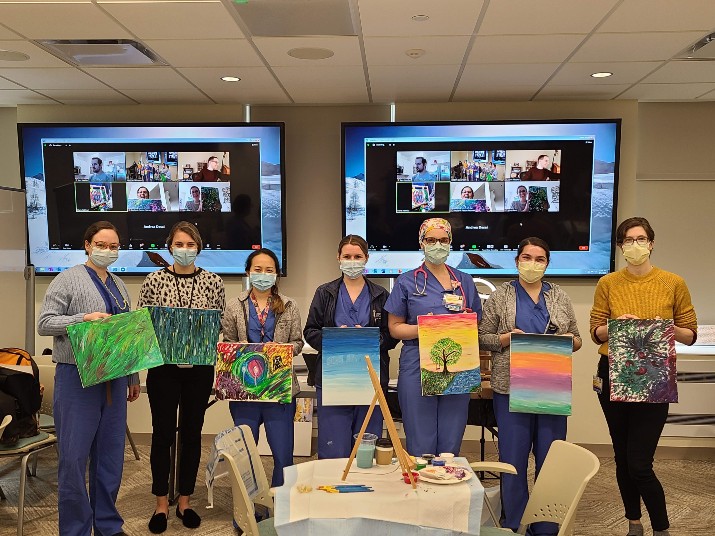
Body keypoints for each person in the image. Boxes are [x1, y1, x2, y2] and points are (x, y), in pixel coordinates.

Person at [590, 217, 697, 536]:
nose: (634, 245)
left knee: (639, 462)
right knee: (622, 458)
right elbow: (596, 333)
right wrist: (618, 325)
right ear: (621, 247)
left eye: (640, 239)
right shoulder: (607, 283)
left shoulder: (673, 282)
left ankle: (661, 528)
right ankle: (633, 523)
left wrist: (659, 325)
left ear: (651, 243)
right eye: (627, 240)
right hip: (612, 373)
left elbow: (690, 334)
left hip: (653, 374)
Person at [37, 221, 140, 536]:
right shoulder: (66, 280)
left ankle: (107, 525)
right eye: (101, 244)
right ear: (86, 244)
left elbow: (127, 334)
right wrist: (83, 319)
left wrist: (133, 374)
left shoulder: (119, 285)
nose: (107, 250)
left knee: (110, 455)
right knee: (74, 456)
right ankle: (75, 529)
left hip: (115, 377)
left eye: (113, 246)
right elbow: (45, 323)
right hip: (77, 379)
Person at [479, 237, 581, 536]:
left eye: (539, 259)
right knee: (513, 458)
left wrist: (566, 342)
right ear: (516, 261)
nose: (532, 264)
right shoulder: (501, 296)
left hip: (550, 387)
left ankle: (547, 526)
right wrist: (505, 337)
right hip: (510, 389)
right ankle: (516, 524)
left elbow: (577, 339)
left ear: (547, 264)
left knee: (551, 460)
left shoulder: (560, 296)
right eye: (527, 257)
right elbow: (482, 337)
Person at [137, 221, 225, 534]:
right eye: (179, 244)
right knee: (161, 434)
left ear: (198, 248)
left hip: (199, 370)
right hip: (162, 370)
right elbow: (142, 326)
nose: (184, 249)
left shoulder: (214, 282)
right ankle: (161, 503)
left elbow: (219, 328)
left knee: (191, 433)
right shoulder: (153, 279)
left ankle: (185, 501)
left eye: (190, 245)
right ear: (169, 246)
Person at [384, 218, 481, 456]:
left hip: (457, 364)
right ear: (422, 243)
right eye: (431, 240)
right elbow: (395, 328)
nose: (437, 244)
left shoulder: (465, 281)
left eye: (443, 240)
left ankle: (449, 490)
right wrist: (427, 327)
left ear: (450, 242)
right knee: (421, 441)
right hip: (417, 364)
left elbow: (477, 321)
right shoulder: (407, 281)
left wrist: (462, 323)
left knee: (451, 440)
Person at [304, 235, 397, 459]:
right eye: (347, 256)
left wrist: (366, 338)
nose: (352, 261)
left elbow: (391, 335)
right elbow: (310, 331)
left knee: (366, 446)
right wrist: (337, 337)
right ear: (338, 258)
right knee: (333, 446)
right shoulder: (325, 293)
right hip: (334, 377)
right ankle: (332, 491)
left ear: (366, 258)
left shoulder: (380, 295)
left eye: (357, 256)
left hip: (371, 379)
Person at [222, 248, 303, 486]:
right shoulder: (234, 305)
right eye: (258, 270)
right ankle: (245, 511)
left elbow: (298, 342)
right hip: (244, 390)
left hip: (279, 388)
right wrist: (239, 348)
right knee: (244, 454)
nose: (263, 275)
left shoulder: (290, 305)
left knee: (283, 454)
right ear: (248, 272)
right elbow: (226, 343)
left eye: (269, 270)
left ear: (276, 274)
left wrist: (283, 348)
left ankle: (281, 507)